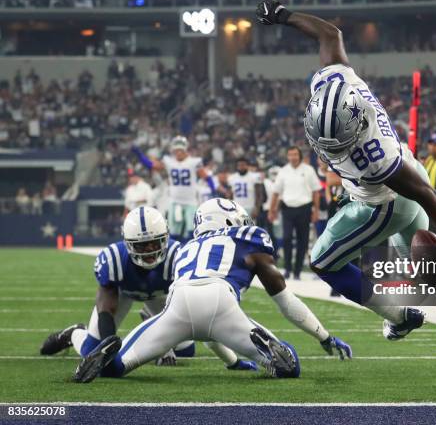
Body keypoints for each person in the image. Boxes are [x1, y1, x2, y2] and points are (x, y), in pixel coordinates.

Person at [255, 0, 436, 338]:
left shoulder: (371, 156)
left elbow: (428, 195)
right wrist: (284, 16)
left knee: (323, 262)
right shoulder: (339, 85)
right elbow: (329, 33)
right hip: (402, 180)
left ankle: (400, 315)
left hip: (386, 201)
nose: (329, 145)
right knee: (425, 261)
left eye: (337, 140)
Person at [72, 199, 351, 383]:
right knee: (289, 368)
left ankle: (102, 351)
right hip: (221, 301)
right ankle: (267, 349)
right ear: (230, 222)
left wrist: (231, 362)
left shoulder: (187, 250)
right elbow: (284, 300)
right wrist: (324, 336)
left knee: (115, 368)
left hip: (178, 303)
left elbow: (202, 325)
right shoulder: (248, 239)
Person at [40, 207, 252, 371]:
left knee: (186, 351)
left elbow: (204, 317)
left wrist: (166, 347)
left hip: (164, 296)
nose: (150, 250)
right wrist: (107, 345)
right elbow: (106, 307)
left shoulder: (178, 256)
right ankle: (73, 334)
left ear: (166, 238)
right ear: (128, 243)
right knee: (91, 351)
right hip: (124, 293)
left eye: (155, 242)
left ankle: (149, 316)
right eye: (142, 245)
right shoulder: (114, 259)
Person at [132, 136, 215, 242]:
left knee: (192, 230)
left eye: (181, 150)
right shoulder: (169, 162)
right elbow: (151, 165)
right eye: (176, 150)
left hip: (190, 201)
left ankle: (190, 252)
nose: (178, 153)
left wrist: (213, 191)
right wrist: (139, 154)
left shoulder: (194, 162)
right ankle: (175, 253)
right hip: (175, 201)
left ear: (185, 150)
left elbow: (206, 177)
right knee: (173, 231)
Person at [268, 146, 321, 280]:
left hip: (304, 208)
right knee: (286, 238)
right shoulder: (283, 171)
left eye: (295, 154)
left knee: (302, 240)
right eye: (290, 155)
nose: (293, 157)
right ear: (287, 156)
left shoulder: (308, 170)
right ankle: (287, 268)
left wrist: (316, 211)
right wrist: (272, 210)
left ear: (300, 156)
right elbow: (275, 192)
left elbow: (316, 192)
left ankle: (297, 271)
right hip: (287, 208)